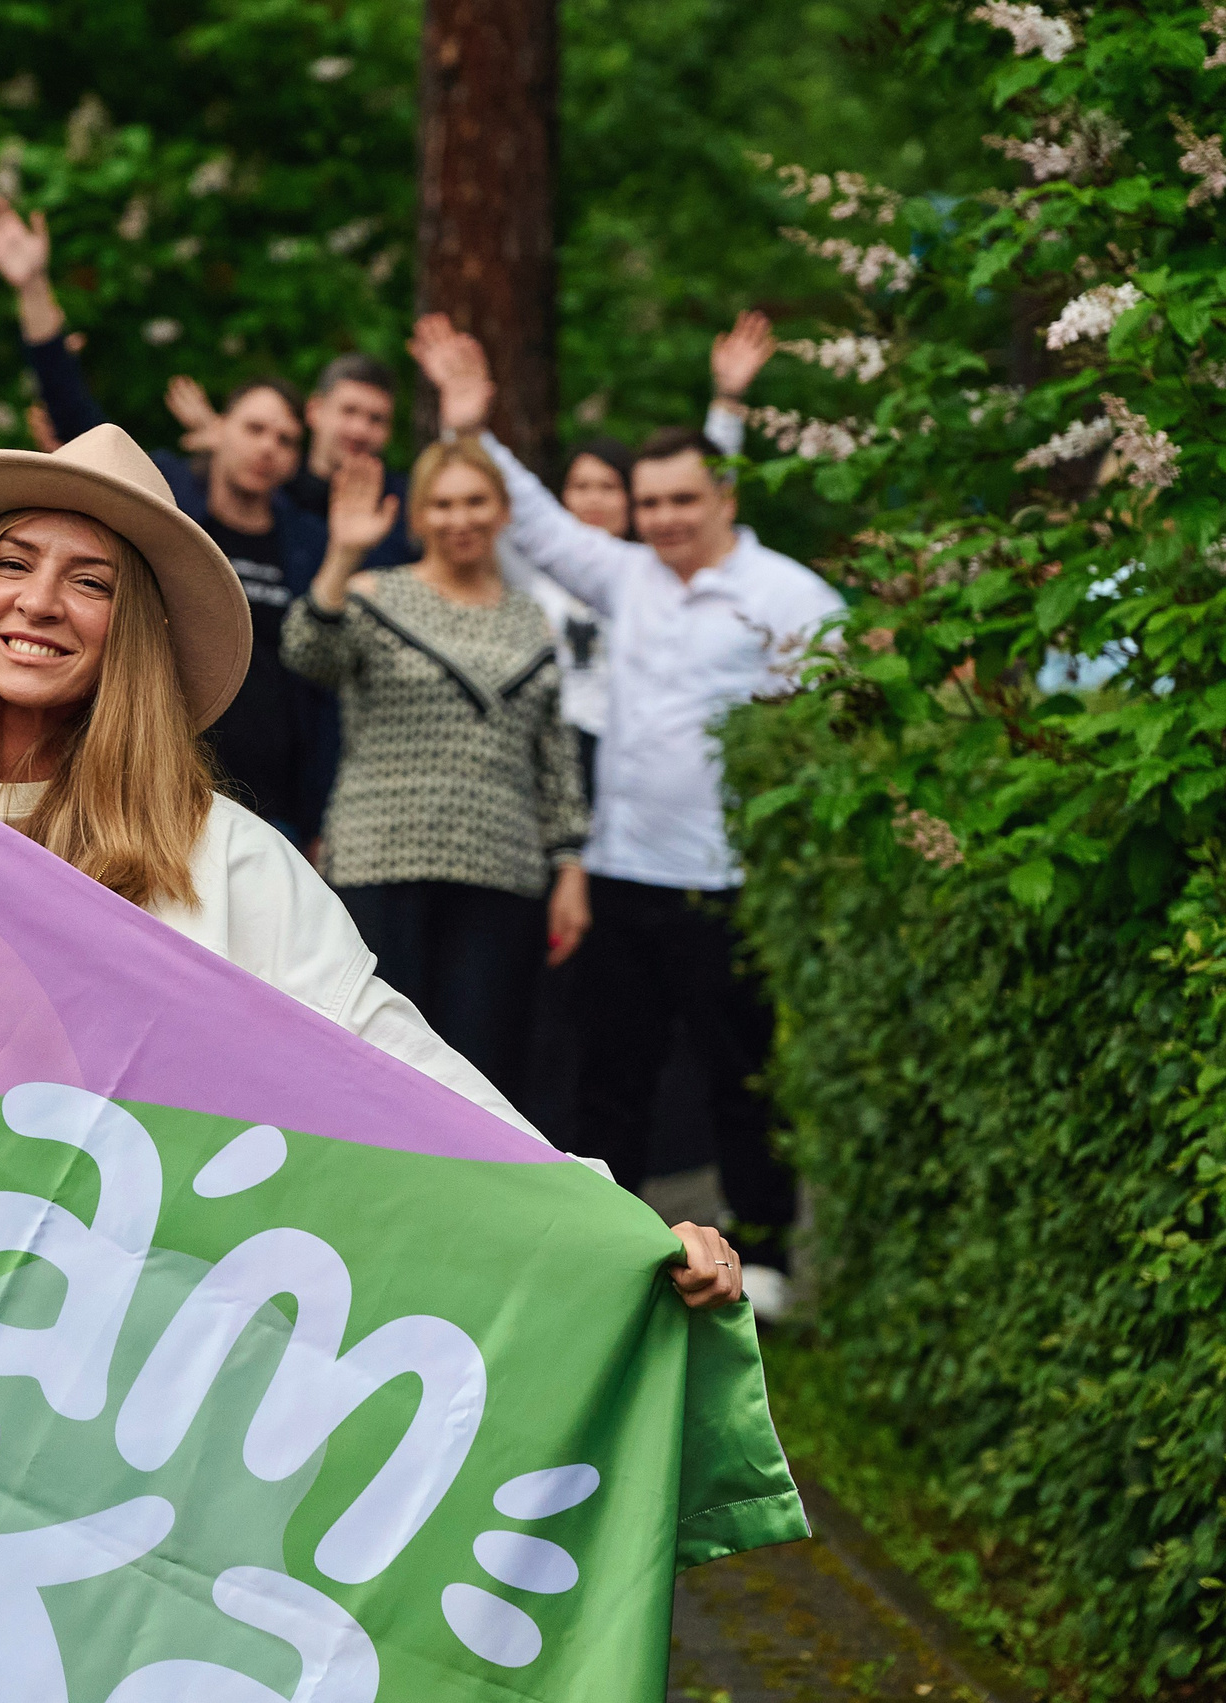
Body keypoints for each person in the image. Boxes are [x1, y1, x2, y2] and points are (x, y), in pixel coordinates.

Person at [0, 429, 750, 1311]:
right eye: (11, 561)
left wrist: (613, 1222)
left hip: (91, 1354)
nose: (39, 603)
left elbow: (399, 1066)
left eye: (89, 580)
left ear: (133, 634)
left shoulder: (219, 857)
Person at [411, 313, 843, 1320]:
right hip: (619, 873)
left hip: (729, 882)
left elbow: (846, 713)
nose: (660, 517)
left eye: (681, 498)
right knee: (616, 1075)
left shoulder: (790, 596)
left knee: (742, 1076)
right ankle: (623, 1247)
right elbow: (542, 521)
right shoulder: (628, 578)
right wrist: (470, 421)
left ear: (723, 494)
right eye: (646, 502)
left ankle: (767, 1256)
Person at [0, 194, 335, 847]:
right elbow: (82, 428)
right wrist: (32, 288)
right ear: (216, 431)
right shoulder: (161, 507)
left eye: (286, 438)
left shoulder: (309, 541)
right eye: (254, 427)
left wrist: (316, 816)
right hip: (148, 783)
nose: (269, 447)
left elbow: (319, 690)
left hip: (274, 806)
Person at [280, 444, 588, 1104]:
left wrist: (570, 865)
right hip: (380, 864)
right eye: (441, 503)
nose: (459, 518)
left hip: (499, 870)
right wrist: (342, 555)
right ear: (417, 516)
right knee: (370, 1066)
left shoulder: (530, 619)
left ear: (503, 511)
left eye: (475, 501)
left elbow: (553, 755)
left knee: (479, 1075)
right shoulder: (373, 593)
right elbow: (308, 654)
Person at [513, 311, 777, 799]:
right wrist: (459, 430)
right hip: (546, 750)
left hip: (632, 750)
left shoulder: (652, 573)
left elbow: (705, 492)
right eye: (580, 487)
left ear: (633, 499)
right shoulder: (533, 570)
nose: (593, 500)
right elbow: (503, 504)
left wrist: (729, 399)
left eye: (608, 487)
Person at [166, 353, 420, 567]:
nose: (359, 430)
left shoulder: (401, 502)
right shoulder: (270, 487)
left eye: (376, 419)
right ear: (315, 411)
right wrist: (226, 446)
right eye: (349, 411)